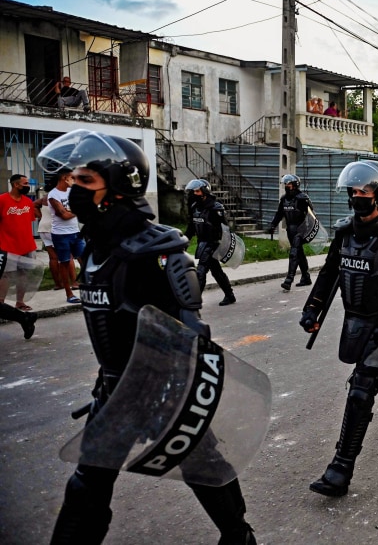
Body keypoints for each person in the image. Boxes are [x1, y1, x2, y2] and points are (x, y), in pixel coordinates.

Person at [39, 130, 257, 544]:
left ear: (118, 188)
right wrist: (111, 384)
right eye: (73, 181)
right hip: (114, 391)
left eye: (85, 182)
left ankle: (239, 537)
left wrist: (178, 394)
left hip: (165, 392)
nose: (73, 191)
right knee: (86, 488)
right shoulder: (96, 248)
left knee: (204, 465)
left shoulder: (160, 252)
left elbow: (193, 336)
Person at [300, 160, 378, 497]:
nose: (358, 197)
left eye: (365, 191)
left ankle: (340, 469)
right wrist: (312, 308)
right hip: (353, 320)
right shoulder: (344, 233)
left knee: (361, 388)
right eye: (354, 191)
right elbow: (329, 275)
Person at [185, 179, 237, 306]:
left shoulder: (215, 208)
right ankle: (230, 296)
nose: (194, 194)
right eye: (193, 191)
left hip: (212, 243)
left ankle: (194, 301)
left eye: (197, 191)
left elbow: (224, 228)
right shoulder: (194, 207)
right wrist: (185, 240)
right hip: (202, 243)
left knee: (201, 271)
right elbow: (192, 226)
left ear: (204, 191)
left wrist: (223, 245)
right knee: (216, 271)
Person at [0, 173, 39, 312]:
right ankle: (1, 304)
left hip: (27, 245)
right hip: (7, 245)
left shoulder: (28, 202)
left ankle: (20, 302)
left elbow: (27, 222)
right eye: (25, 184)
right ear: (16, 184)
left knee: (24, 274)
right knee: (5, 275)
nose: (28, 187)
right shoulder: (2, 200)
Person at [269, 174, 314, 290]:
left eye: (288, 184)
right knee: (299, 254)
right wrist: (273, 224)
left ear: (295, 185)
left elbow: (311, 215)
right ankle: (306, 277)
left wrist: (308, 229)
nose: (286, 186)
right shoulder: (284, 199)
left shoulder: (302, 198)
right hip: (290, 230)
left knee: (294, 253)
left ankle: (289, 280)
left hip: (300, 229)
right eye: (285, 184)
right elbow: (279, 214)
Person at [48, 169, 86, 304]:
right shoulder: (53, 195)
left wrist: (73, 210)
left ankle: (88, 287)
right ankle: (69, 294)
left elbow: (83, 207)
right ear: (65, 178)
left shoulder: (72, 192)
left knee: (86, 259)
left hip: (76, 232)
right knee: (64, 263)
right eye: (72, 178)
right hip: (61, 234)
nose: (74, 180)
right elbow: (63, 215)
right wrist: (76, 210)